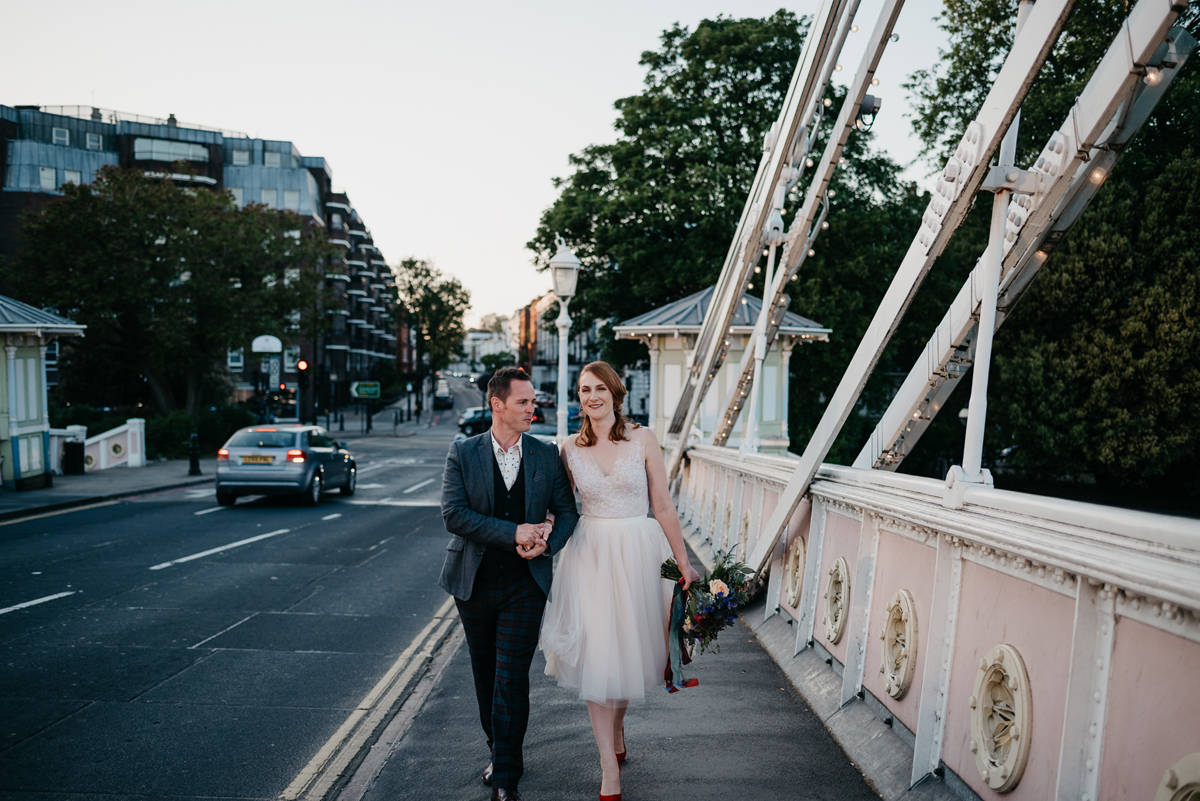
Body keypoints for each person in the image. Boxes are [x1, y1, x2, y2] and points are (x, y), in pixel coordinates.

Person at [538, 361, 701, 801]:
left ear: (615, 392)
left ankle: (619, 727)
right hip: (590, 555)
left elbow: (663, 506)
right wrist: (539, 534)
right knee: (599, 653)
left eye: (599, 389)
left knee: (629, 646)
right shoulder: (567, 448)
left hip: (639, 552)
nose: (591, 397)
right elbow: (560, 510)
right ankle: (609, 770)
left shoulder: (643, 439)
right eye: (584, 390)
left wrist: (683, 564)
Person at [440, 367, 580, 801]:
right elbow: (454, 515)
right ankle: (497, 750)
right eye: (523, 402)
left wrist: (546, 545)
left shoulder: (545, 454)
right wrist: (514, 532)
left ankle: (506, 776)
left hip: (525, 584)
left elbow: (568, 512)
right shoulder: (463, 452)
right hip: (474, 582)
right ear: (497, 405)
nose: (531, 408)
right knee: (486, 676)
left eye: (531, 401)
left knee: (511, 678)